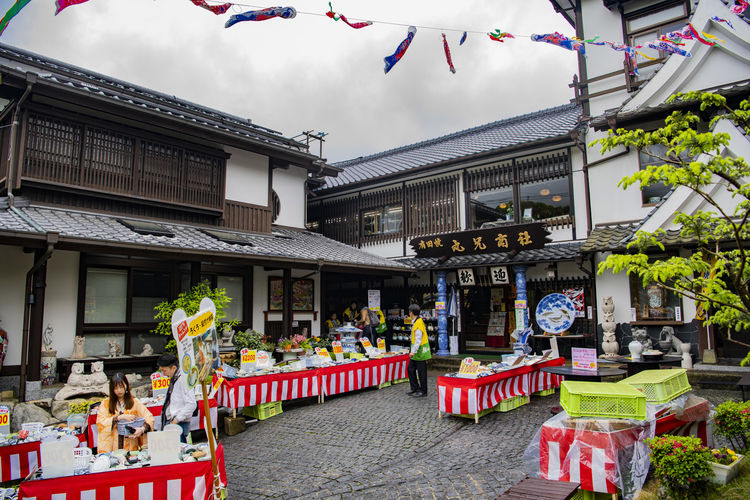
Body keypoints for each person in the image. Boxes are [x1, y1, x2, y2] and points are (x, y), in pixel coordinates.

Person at [96, 372, 154, 452]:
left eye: (121, 387)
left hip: (130, 444)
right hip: (112, 447)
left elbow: (149, 418)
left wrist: (141, 429)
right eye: (116, 388)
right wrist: (119, 418)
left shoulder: (134, 402)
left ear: (126, 386)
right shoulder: (106, 403)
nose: (119, 390)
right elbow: (100, 423)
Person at [157, 353, 197, 443]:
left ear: (174, 368)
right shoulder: (175, 378)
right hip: (173, 420)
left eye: (164, 370)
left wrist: (176, 420)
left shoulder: (183, 379)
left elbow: (191, 404)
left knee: (177, 451)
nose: (163, 374)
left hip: (178, 422)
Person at [407, 303, 431, 397]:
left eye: (409, 312)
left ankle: (423, 390)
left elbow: (418, 339)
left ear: (411, 312)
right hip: (416, 351)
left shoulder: (418, 323)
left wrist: (413, 351)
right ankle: (415, 388)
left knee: (421, 372)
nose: (409, 313)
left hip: (419, 351)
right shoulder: (416, 321)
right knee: (410, 369)